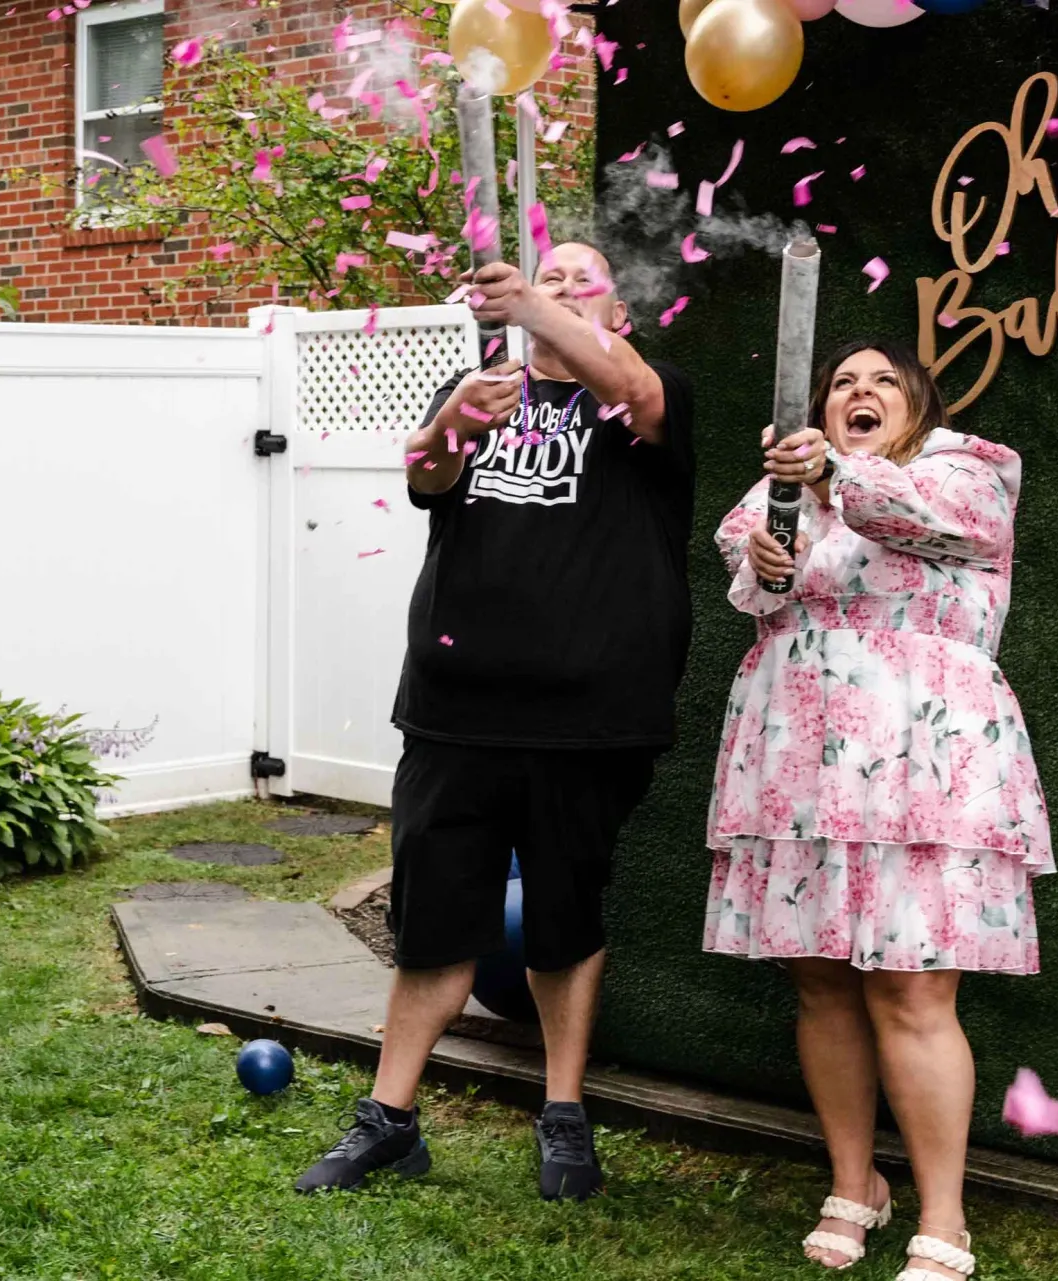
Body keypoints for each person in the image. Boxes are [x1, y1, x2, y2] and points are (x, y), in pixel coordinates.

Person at [296, 246, 697, 1201]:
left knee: (564, 918)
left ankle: (563, 1113)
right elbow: (427, 477)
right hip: (455, 713)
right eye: (550, 278)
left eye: (587, 281)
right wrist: (452, 422)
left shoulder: (652, 397)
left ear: (622, 316)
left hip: (590, 719)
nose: (565, 288)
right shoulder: (476, 389)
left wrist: (529, 303)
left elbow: (631, 388)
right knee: (433, 920)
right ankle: (389, 1120)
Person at [705, 339, 1051, 1281]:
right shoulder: (782, 488)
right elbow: (754, 578)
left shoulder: (967, 470)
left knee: (913, 985)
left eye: (881, 382)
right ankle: (855, 1183)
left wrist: (827, 473)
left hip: (923, 753)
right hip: (799, 748)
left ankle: (945, 1220)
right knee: (820, 977)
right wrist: (770, 555)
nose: (858, 393)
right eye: (841, 384)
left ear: (919, 403)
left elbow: (916, 518)